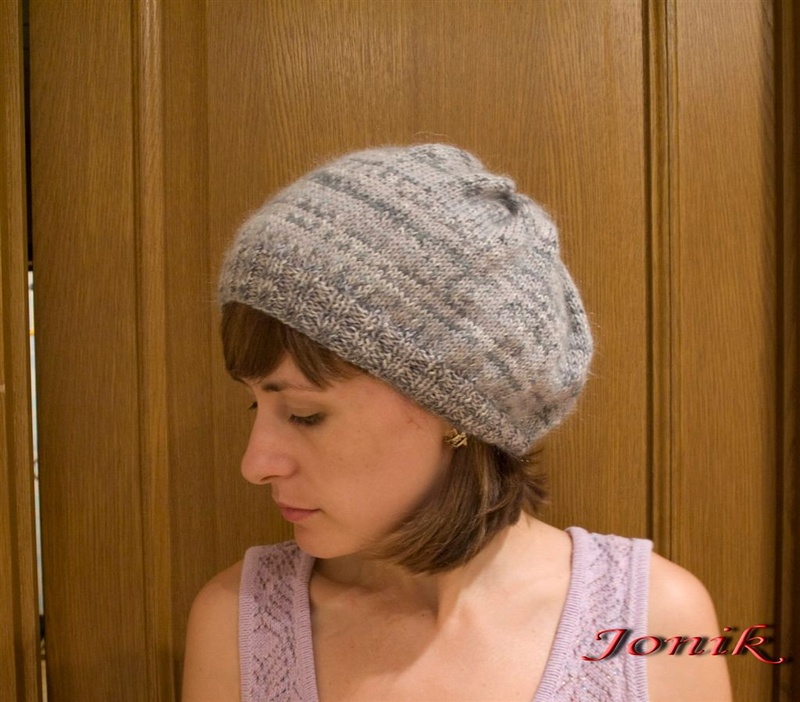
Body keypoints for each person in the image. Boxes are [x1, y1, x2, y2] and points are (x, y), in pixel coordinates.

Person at [182, 144, 731, 701]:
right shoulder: (243, 623)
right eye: (255, 404)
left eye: (306, 414)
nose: (255, 465)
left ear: (455, 414)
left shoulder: (653, 620)